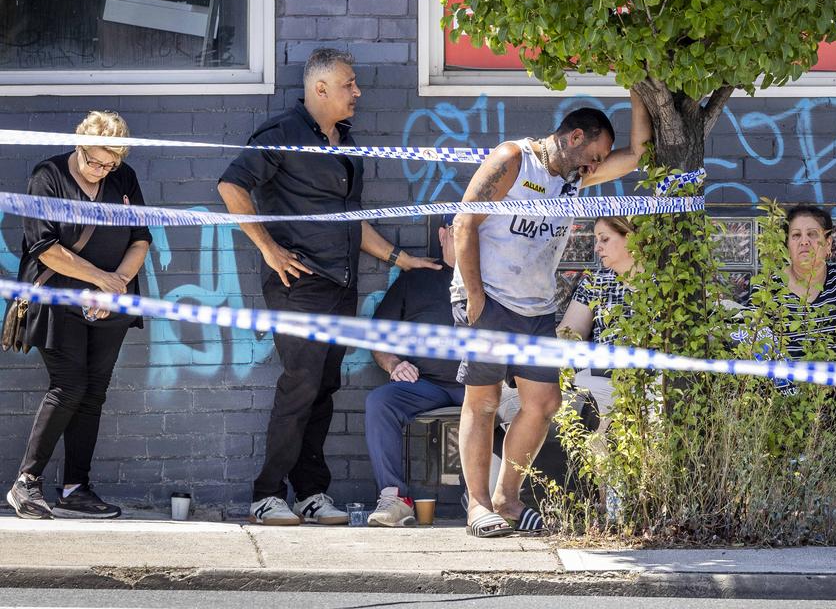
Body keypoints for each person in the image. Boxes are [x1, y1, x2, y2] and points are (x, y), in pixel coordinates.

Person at [218, 48, 439, 526]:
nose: (357, 92)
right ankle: (266, 493)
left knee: (323, 388)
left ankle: (310, 494)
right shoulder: (282, 135)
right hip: (299, 286)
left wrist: (402, 260)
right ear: (320, 89)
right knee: (299, 386)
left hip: (341, 286)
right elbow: (231, 186)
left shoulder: (345, 143)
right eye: (349, 84)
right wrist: (269, 248)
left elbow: (352, 222)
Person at [453, 92, 651, 537]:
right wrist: (474, 296)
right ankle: (478, 506)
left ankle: (506, 499)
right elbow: (464, 222)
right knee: (482, 402)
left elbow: (638, 154)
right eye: (593, 155)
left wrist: (639, 86)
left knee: (544, 404)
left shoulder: (573, 177)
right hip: (489, 295)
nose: (593, 166)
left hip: (536, 304)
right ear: (574, 136)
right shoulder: (513, 159)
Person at [6, 111, 151, 520]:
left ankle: (75, 488)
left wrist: (116, 283)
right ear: (79, 145)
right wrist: (99, 280)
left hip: (112, 301)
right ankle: (26, 482)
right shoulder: (47, 176)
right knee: (69, 384)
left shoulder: (124, 179)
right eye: (95, 162)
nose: (102, 171)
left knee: (94, 391)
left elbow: (141, 238)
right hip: (57, 300)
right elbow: (45, 247)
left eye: (111, 165)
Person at [365, 215, 463, 527]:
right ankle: (396, 499)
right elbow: (377, 335)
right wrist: (394, 364)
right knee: (381, 402)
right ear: (443, 235)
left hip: (479, 383)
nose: (467, 240)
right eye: (459, 232)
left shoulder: (492, 277)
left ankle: (493, 497)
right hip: (427, 384)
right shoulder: (417, 278)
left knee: (514, 405)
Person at [556, 216, 637, 415]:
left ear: (630, 238)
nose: (596, 248)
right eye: (596, 240)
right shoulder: (595, 283)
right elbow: (569, 333)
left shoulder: (665, 284)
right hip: (604, 380)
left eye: (604, 239)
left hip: (654, 380)